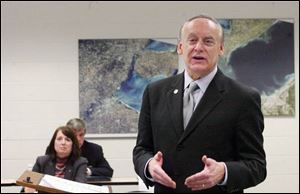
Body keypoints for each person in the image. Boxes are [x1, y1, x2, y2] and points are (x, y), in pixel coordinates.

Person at [133, 15, 266, 193]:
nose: (198, 47)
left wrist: (223, 172)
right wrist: (149, 166)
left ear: (221, 48)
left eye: (208, 41)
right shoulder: (154, 92)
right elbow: (141, 149)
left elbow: (256, 165)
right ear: (181, 47)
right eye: (192, 40)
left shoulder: (243, 98)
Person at [24, 126, 87, 193]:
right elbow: (27, 184)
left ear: (73, 144)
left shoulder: (80, 162)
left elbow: (80, 188)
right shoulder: (41, 161)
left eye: (67, 140)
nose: (63, 143)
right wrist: (29, 189)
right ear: (53, 142)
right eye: (59, 139)